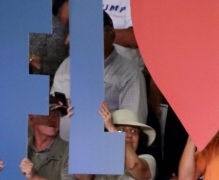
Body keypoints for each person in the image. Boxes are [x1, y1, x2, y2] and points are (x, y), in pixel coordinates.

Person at [50, 12, 147, 142]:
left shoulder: (129, 73)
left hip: (103, 151)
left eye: (97, 32)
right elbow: (52, 109)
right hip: (62, 150)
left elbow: (131, 130)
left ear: (112, 35)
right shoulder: (67, 65)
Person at [15, 0, 67, 77]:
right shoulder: (15, 23)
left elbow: (55, 65)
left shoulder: (55, 27)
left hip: (43, 84)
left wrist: (28, 58)